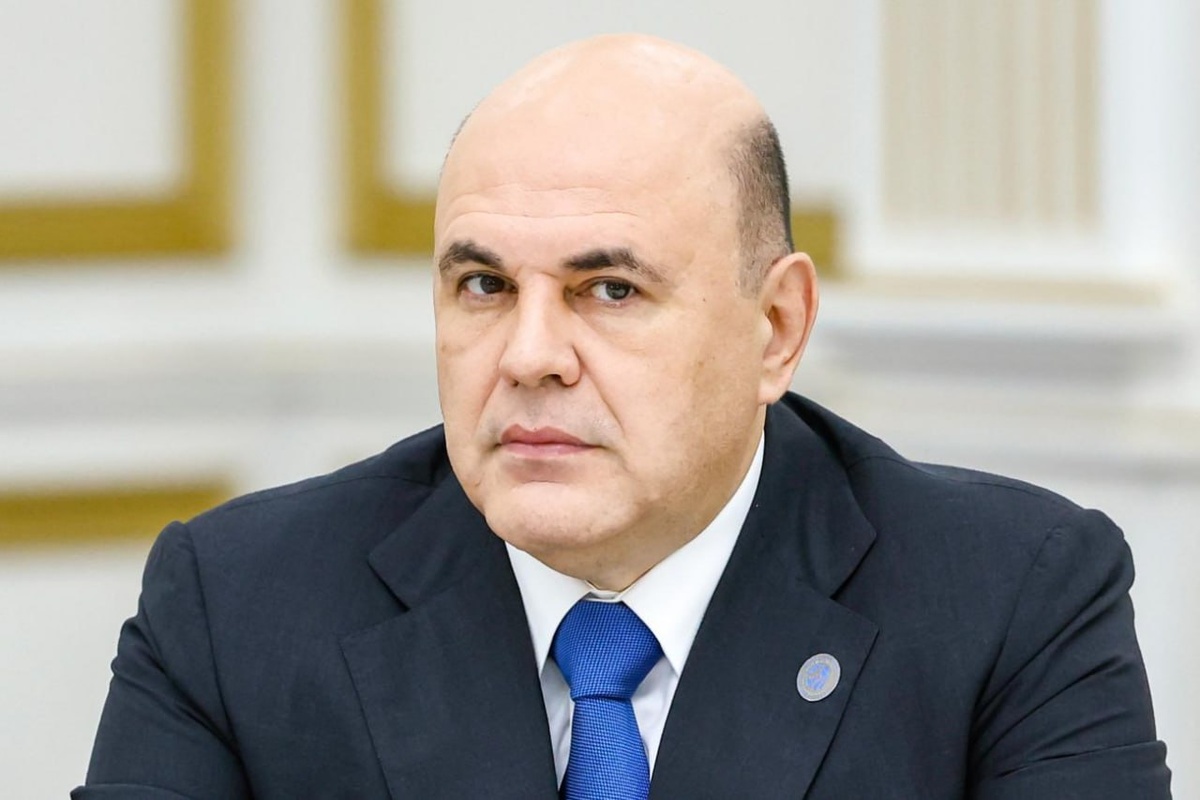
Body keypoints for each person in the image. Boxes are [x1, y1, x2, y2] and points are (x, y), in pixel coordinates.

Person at [75, 34, 1171, 799]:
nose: (530, 356)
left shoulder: (1011, 601)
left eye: (609, 290)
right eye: (483, 285)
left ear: (776, 328)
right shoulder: (235, 604)